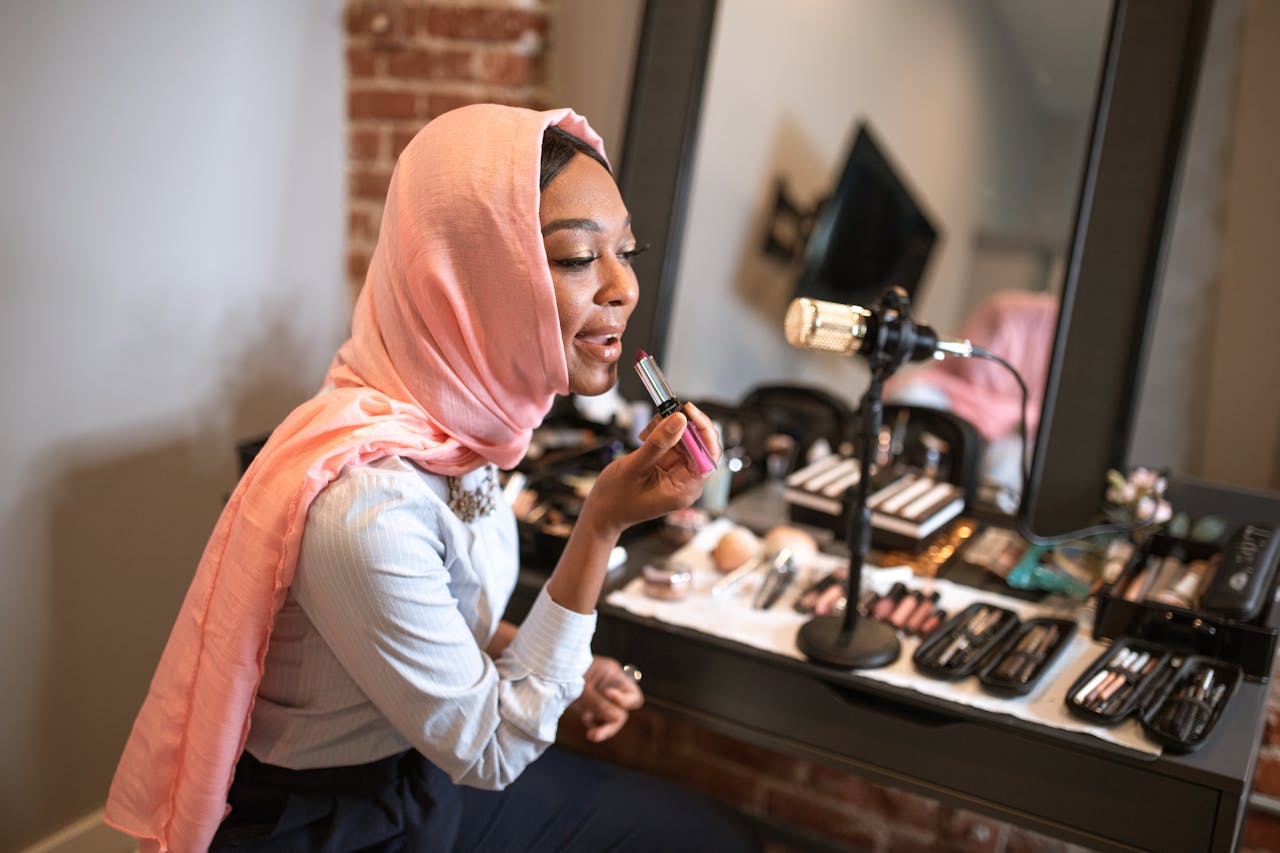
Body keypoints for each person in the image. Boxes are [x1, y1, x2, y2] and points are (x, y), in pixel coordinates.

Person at [105, 104, 760, 852]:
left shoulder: (465, 426)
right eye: (579, 258)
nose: (623, 288)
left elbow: (446, 625)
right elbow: (492, 751)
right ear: (473, 276)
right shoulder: (365, 506)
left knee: (709, 832)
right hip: (335, 825)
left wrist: (553, 665)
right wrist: (599, 525)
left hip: (421, 773)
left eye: (627, 252)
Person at [885, 288, 1059, 504]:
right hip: (959, 394)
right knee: (910, 395)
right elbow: (971, 368)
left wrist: (1005, 417)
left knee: (1009, 458)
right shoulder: (1003, 310)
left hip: (1013, 428)